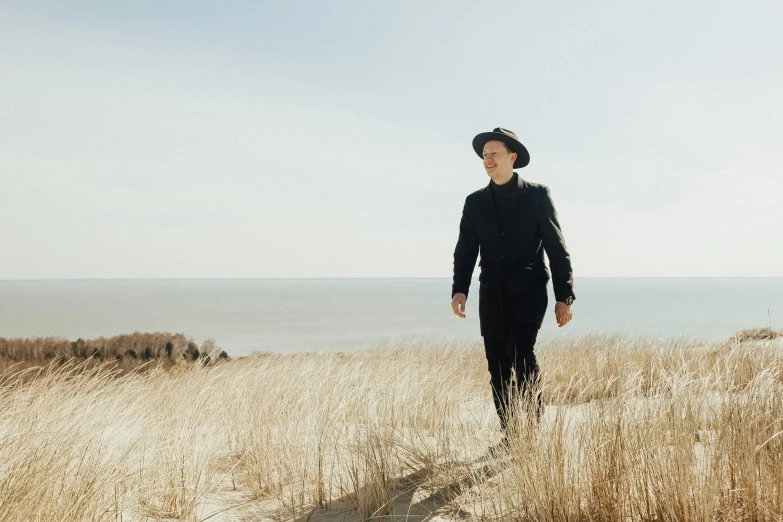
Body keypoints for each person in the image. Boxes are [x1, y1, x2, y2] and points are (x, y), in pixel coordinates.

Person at [451, 127, 575, 438]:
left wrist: (564, 296)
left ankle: (530, 430)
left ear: (512, 156)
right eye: (484, 155)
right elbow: (465, 249)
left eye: (493, 152)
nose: (487, 158)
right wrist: (459, 289)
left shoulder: (537, 195)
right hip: (491, 293)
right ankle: (511, 433)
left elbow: (556, 248)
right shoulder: (474, 202)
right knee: (497, 365)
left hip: (529, 291)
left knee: (522, 353)